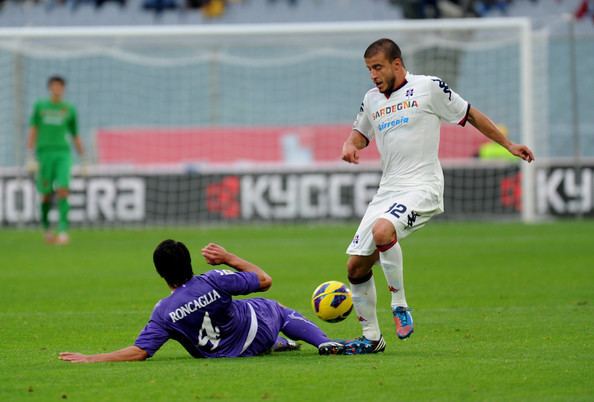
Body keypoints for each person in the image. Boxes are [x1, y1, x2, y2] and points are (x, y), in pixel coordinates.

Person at [341, 38, 534, 354]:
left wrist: (508, 145)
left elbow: (469, 113)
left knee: (382, 231)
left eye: (377, 67)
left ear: (397, 64)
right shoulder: (371, 99)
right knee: (355, 268)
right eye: (369, 69)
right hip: (388, 191)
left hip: (423, 186)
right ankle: (371, 338)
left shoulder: (428, 87)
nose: (373, 75)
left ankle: (400, 305)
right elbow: (360, 133)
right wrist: (350, 145)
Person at [59, 241, 344, 363]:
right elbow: (264, 279)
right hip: (255, 331)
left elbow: (139, 352)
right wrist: (229, 258)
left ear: (161, 274)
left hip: (223, 355)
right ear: (189, 263)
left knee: (250, 317)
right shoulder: (213, 279)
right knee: (276, 308)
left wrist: (91, 358)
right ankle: (323, 342)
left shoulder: (164, 312)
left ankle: (280, 343)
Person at [27, 75, 84, 245]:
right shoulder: (40, 106)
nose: (57, 89)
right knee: (45, 195)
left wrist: (84, 157)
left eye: (60, 86)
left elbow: (75, 134)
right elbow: (33, 129)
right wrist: (29, 154)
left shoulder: (69, 109)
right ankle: (46, 229)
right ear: (50, 88)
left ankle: (63, 231)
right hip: (44, 153)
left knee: (63, 189)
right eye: (54, 86)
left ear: (63, 89)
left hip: (63, 153)